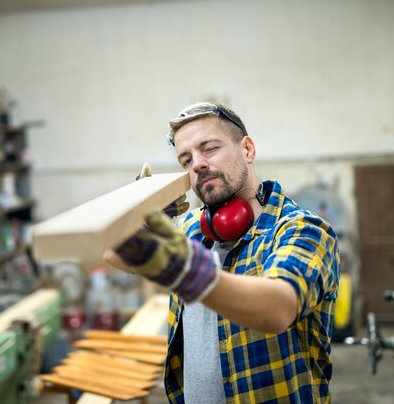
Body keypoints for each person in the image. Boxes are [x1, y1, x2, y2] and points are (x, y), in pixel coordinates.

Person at [104, 102, 340, 404]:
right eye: (186, 159)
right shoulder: (192, 229)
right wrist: (137, 212)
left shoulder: (304, 229)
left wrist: (189, 272)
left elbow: (278, 308)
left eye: (210, 148)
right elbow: (114, 256)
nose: (197, 165)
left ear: (248, 150)